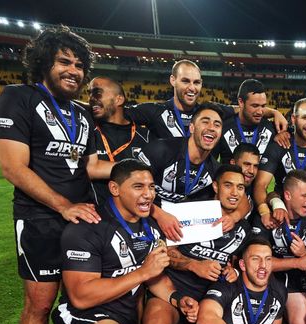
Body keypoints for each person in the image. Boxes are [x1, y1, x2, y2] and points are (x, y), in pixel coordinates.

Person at [0, 26, 112, 324]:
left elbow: (92, 166)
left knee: (84, 300)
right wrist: (62, 205)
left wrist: (140, 172)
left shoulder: (81, 113)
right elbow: (12, 166)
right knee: (40, 305)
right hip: (41, 220)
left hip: (79, 222)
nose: (73, 70)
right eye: (64, 61)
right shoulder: (17, 97)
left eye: (79, 64)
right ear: (44, 61)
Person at [48, 158, 196, 324]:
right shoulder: (86, 227)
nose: (148, 194)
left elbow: (155, 277)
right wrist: (141, 272)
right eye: (138, 186)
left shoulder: (150, 228)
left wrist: (176, 299)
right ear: (115, 189)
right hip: (83, 318)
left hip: (124, 319)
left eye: (151, 187)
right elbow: (80, 295)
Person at [135, 164, 250, 324]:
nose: (234, 193)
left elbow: (235, 262)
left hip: (213, 301)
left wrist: (232, 271)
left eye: (241, 187)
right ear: (216, 187)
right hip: (174, 290)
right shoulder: (192, 212)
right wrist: (192, 265)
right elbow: (167, 253)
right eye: (228, 185)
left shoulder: (243, 227)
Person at [138, 103, 250, 242]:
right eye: (205, 122)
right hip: (144, 218)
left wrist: (233, 218)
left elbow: (244, 201)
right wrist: (159, 215)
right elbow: (130, 187)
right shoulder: (161, 150)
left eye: (217, 125)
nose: (211, 128)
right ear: (191, 127)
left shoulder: (215, 169)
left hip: (181, 230)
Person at [128, 61, 287, 140]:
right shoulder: (154, 111)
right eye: (185, 81)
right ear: (172, 80)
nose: (192, 88)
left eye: (196, 82)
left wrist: (273, 112)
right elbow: (117, 114)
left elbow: (243, 108)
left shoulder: (208, 111)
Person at [253, 169, 306, 324]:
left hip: (295, 277)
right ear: (287, 195)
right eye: (304, 196)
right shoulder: (267, 218)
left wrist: (303, 253)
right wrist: (297, 262)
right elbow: (256, 263)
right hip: (268, 276)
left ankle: (284, 306)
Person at [253, 97, 306, 228]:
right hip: (281, 211)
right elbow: (260, 184)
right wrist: (264, 211)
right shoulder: (280, 144)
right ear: (293, 119)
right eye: (305, 117)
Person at [88, 76, 151, 204]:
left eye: (97, 93)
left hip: (135, 215)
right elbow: (86, 169)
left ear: (119, 99)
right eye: (90, 93)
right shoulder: (87, 129)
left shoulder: (145, 135)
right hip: (97, 216)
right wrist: (137, 169)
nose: (91, 98)